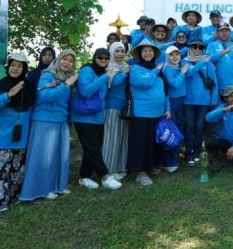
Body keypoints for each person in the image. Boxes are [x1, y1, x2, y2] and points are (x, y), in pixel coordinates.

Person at [20, 49, 78, 201]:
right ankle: (43, 189)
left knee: (59, 156)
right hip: (45, 120)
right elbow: (44, 96)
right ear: (58, 60)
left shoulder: (66, 77)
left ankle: (58, 186)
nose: (67, 63)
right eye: (64, 59)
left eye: (71, 61)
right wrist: (65, 85)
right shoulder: (48, 75)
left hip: (60, 120)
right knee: (44, 157)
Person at [0, 53, 35, 213]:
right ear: (8, 67)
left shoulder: (29, 86)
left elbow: (32, 108)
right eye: (13, 65)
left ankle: (13, 196)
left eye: (19, 66)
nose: (15, 69)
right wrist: (8, 94)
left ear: (24, 69)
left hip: (20, 138)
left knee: (17, 171)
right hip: (0, 138)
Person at [71, 48, 123, 191]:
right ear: (94, 58)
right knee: (92, 147)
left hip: (98, 116)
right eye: (100, 57)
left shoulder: (103, 73)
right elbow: (85, 91)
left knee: (93, 147)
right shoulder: (87, 70)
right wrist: (106, 76)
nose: (103, 60)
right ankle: (105, 176)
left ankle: (84, 177)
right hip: (83, 117)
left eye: (106, 58)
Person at [128, 42, 171, 186]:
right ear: (140, 54)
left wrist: (167, 108)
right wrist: (155, 71)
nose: (148, 53)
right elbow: (143, 83)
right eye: (145, 51)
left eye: (150, 51)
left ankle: (151, 166)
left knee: (153, 142)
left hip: (158, 113)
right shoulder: (135, 69)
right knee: (141, 143)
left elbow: (165, 92)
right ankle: (140, 172)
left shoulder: (158, 71)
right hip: (142, 112)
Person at [183, 39, 218, 166]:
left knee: (199, 127)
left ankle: (197, 152)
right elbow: (189, 73)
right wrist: (203, 61)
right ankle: (188, 153)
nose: (197, 49)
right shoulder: (185, 61)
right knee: (189, 127)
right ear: (190, 48)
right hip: (188, 100)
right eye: (194, 47)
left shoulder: (208, 63)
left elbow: (214, 81)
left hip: (204, 100)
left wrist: (214, 99)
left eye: (200, 47)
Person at [102, 42, 130, 180]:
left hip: (124, 107)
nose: (120, 54)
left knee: (123, 138)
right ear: (112, 52)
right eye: (117, 51)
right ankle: (109, 169)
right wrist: (124, 73)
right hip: (112, 106)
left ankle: (121, 167)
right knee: (111, 139)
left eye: (122, 51)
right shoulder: (109, 66)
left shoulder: (125, 66)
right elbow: (113, 82)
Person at [205, 86, 233, 168]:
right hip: (225, 141)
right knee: (209, 143)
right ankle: (218, 158)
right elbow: (208, 118)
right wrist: (222, 110)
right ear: (225, 98)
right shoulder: (222, 107)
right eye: (230, 96)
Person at [161, 46, 189, 172]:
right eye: (171, 55)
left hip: (181, 102)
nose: (174, 57)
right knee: (172, 132)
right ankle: (169, 162)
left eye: (177, 54)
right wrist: (182, 73)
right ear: (167, 57)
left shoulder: (178, 67)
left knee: (179, 131)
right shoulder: (167, 69)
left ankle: (174, 160)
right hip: (172, 102)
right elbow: (175, 84)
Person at [207, 23, 233, 91]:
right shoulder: (211, 45)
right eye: (221, 31)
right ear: (217, 33)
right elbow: (209, 59)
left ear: (230, 33)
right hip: (216, 83)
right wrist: (224, 52)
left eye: (226, 31)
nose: (224, 33)